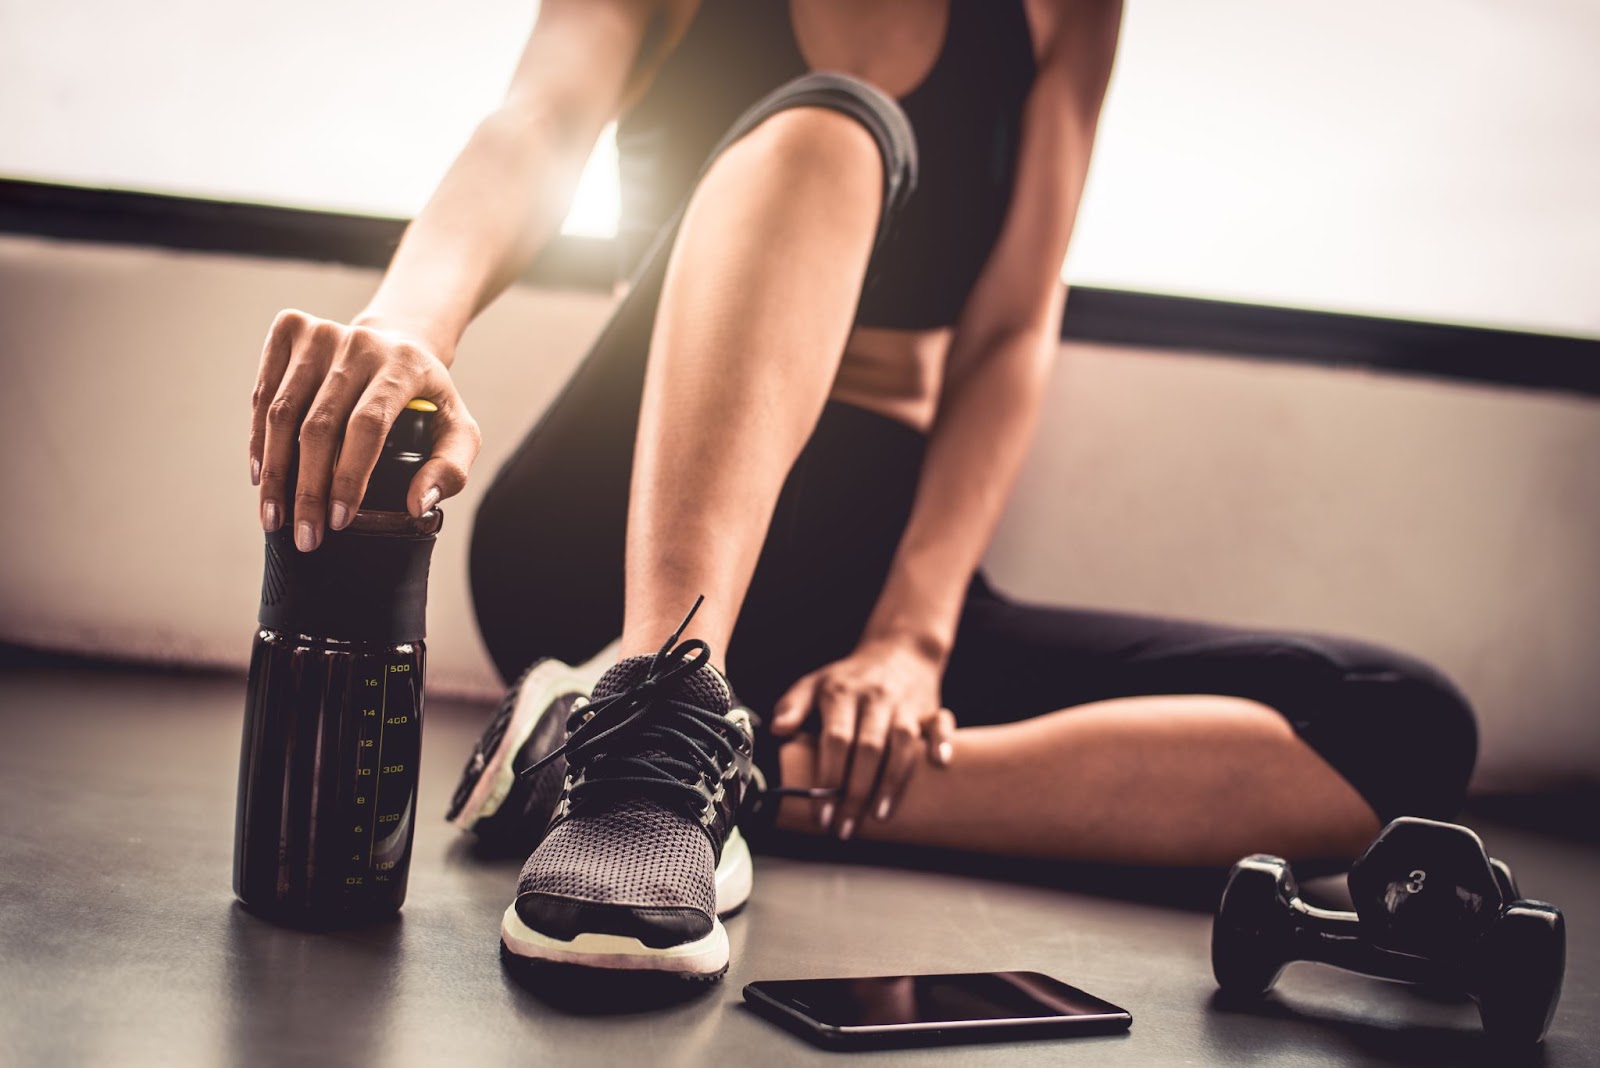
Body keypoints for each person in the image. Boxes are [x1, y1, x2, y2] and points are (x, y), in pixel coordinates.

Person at [247, 0, 1477, 981]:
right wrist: (407, 326)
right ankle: (650, 708)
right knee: (835, 124)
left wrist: (908, 636)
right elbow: (536, 124)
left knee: (1399, 728)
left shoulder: (1065, 11)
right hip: (616, 530)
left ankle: (692, 771)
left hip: (863, 573)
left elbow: (1006, 334)